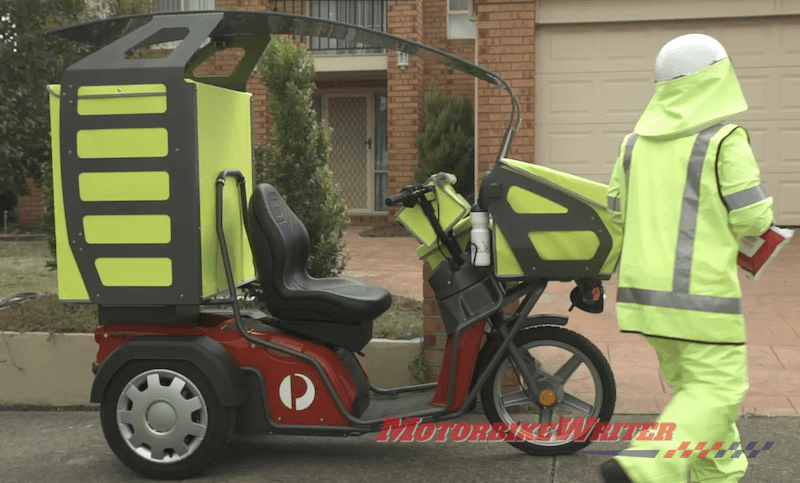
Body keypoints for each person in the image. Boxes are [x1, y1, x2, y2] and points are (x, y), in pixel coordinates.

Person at [600, 33, 774, 483]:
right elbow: (754, 219)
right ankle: (647, 466)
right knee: (719, 390)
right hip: (702, 302)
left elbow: (616, 212)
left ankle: (719, 475)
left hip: (645, 300)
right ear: (715, 77)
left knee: (696, 397)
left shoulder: (632, 144)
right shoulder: (724, 140)